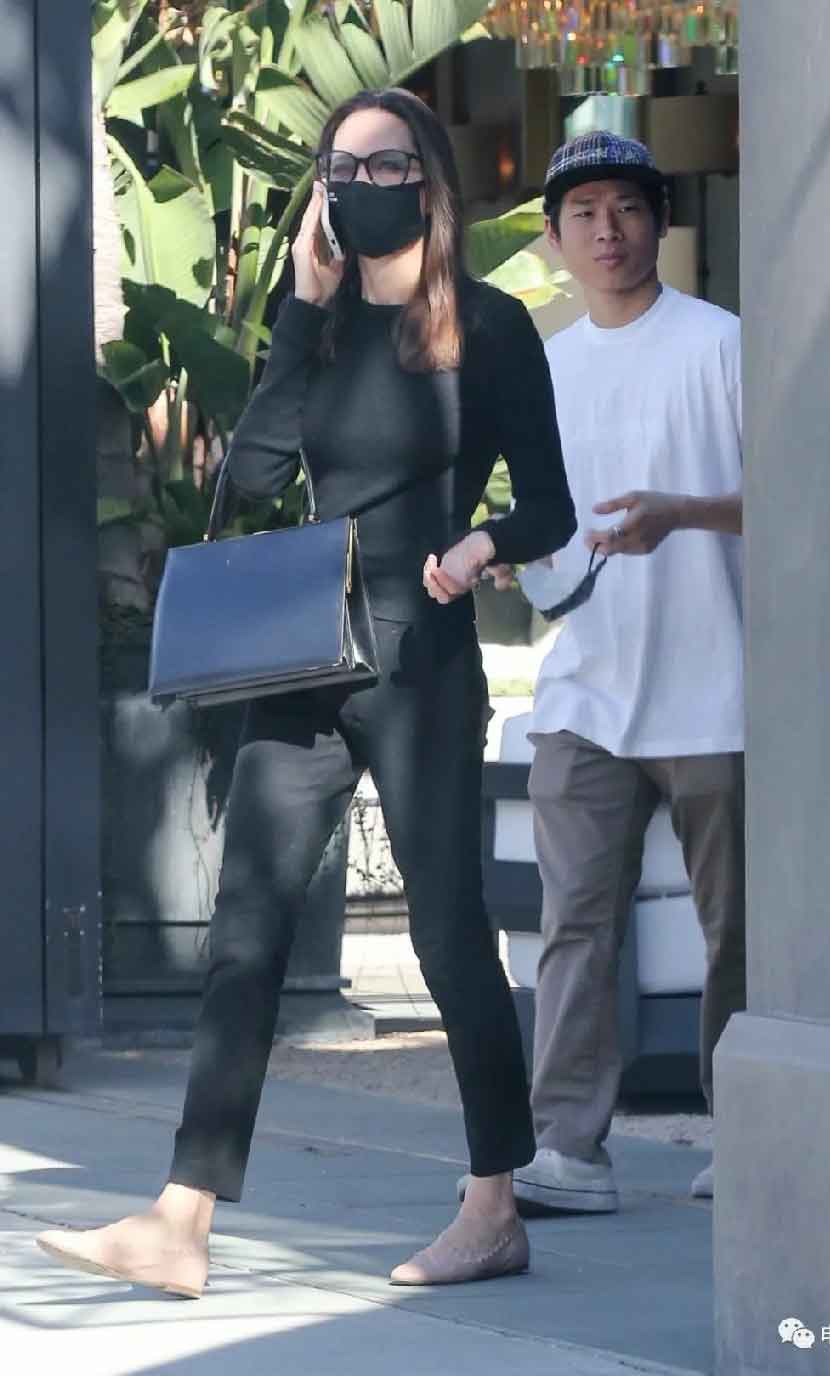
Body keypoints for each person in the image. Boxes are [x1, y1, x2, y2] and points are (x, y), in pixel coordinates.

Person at [36, 88, 575, 1294]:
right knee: (247, 927)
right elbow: (255, 476)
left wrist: (482, 545)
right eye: (340, 166)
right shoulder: (318, 326)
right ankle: (181, 1216)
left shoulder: (489, 327)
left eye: (382, 163)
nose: (357, 183)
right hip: (307, 649)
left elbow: (551, 503)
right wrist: (299, 311)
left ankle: (494, 1202)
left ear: (428, 180)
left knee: (446, 932)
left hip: (422, 652)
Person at [477, 131, 744, 1212]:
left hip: (721, 684)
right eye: (583, 213)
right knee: (575, 923)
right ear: (553, 238)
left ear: (660, 223)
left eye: (627, 207)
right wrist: (502, 552)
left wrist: (683, 514)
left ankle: (752, 1138)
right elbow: (544, 523)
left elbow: (800, 493)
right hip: (585, 685)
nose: (607, 230)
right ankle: (569, 1150)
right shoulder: (544, 366)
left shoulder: (723, 344)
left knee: (739, 931)